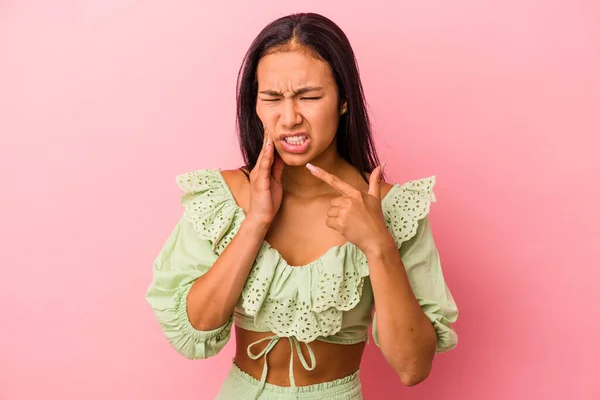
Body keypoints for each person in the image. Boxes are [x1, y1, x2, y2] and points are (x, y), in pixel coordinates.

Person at [145, 12, 458, 400]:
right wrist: (256, 221)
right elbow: (194, 333)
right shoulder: (221, 197)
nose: (290, 118)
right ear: (254, 105)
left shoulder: (390, 209)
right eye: (272, 98)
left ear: (344, 100)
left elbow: (412, 368)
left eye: (309, 97)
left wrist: (379, 246)